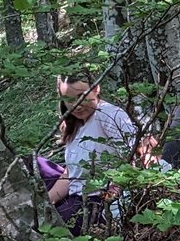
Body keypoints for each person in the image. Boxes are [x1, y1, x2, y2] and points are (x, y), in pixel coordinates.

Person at [42, 76, 137, 228]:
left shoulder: (108, 115)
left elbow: (132, 161)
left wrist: (110, 198)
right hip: (76, 195)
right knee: (30, 162)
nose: (77, 106)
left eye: (81, 97)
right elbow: (71, 172)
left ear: (95, 89)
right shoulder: (75, 125)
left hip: (97, 200)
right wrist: (45, 203)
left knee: (53, 229)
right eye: (69, 100)